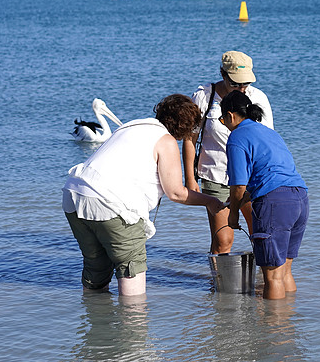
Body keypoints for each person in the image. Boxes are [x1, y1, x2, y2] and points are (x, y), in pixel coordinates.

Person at [64, 94, 225, 297]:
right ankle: (133, 326)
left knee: (96, 269)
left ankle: (95, 323)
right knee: (132, 279)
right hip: (111, 203)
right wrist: (210, 202)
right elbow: (175, 192)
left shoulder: (131, 126)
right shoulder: (165, 141)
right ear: (186, 127)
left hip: (74, 195)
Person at [219, 90, 308, 300]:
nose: (224, 124)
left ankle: (272, 329)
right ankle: (288, 324)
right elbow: (270, 174)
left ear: (231, 115)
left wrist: (233, 215)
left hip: (275, 203)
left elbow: (238, 186)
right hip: (300, 198)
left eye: (223, 119)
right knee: (284, 271)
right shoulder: (269, 132)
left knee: (272, 277)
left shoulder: (236, 137)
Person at [184, 50, 274, 255]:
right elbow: (190, 139)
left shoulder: (258, 97)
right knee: (223, 240)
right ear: (223, 75)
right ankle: (217, 284)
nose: (242, 89)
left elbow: (268, 141)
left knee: (260, 234)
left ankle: (260, 284)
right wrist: (190, 178)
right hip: (215, 175)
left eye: (246, 83)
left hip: (252, 177)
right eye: (235, 83)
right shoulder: (204, 96)